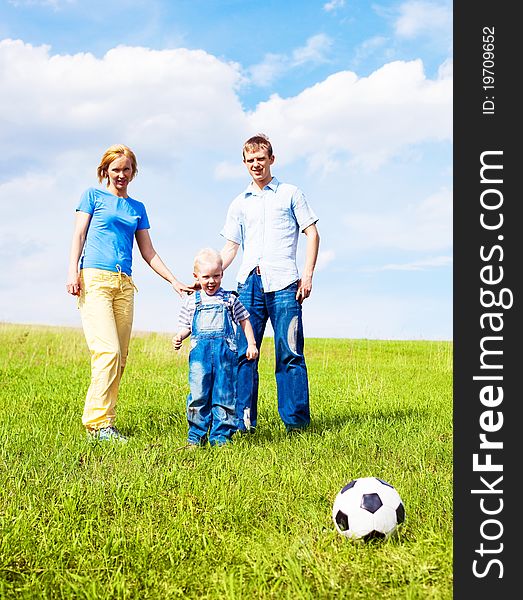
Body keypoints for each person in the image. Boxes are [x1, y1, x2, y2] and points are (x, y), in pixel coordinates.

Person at [66, 144, 193, 442]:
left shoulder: (138, 208)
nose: (121, 175)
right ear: (105, 171)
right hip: (95, 278)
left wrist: (173, 281)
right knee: (107, 351)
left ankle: (106, 422)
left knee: (120, 357)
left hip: (125, 285)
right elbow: (79, 234)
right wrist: (72, 271)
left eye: (126, 169)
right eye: (115, 169)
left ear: (134, 172)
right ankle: (96, 425)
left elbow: (148, 251)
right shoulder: (92, 196)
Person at [220, 133, 320, 434]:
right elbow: (230, 248)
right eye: (250, 160)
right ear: (244, 163)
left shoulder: (290, 193)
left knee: (289, 352)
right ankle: (243, 424)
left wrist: (308, 275)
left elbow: (312, 234)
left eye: (261, 159)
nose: (256, 165)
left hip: (285, 284)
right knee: (243, 353)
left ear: (271, 160)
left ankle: (296, 425)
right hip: (248, 284)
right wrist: (208, 276)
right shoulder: (239, 203)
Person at [173, 248, 258, 447]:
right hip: (199, 359)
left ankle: (221, 437)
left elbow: (244, 319)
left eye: (216, 276)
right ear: (196, 277)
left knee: (224, 395)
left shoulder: (229, 299)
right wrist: (179, 336)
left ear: (222, 274)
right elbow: (186, 326)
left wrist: (251, 343)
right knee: (198, 395)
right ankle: (196, 435)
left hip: (225, 357)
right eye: (206, 277)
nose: (211, 281)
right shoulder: (191, 302)